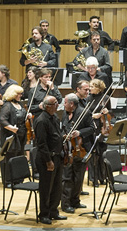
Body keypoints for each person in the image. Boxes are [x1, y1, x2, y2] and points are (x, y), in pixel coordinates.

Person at [34, 96, 65, 224]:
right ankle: (44, 214)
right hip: (46, 159)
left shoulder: (55, 117)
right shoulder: (41, 121)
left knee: (57, 187)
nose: (58, 105)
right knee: (46, 188)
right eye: (55, 104)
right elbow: (41, 144)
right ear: (47, 106)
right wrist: (48, 161)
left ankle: (53, 211)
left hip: (57, 156)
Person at [59, 94, 89, 214]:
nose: (63, 105)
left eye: (65, 102)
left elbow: (92, 128)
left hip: (79, 149)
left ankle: (75, 200)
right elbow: (61, 128)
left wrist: (79, 132)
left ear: (71, 104)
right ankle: (65, 204)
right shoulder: (64, 113)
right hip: (67, 150)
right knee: (67, 178)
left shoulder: (84, 113)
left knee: (78, 178)